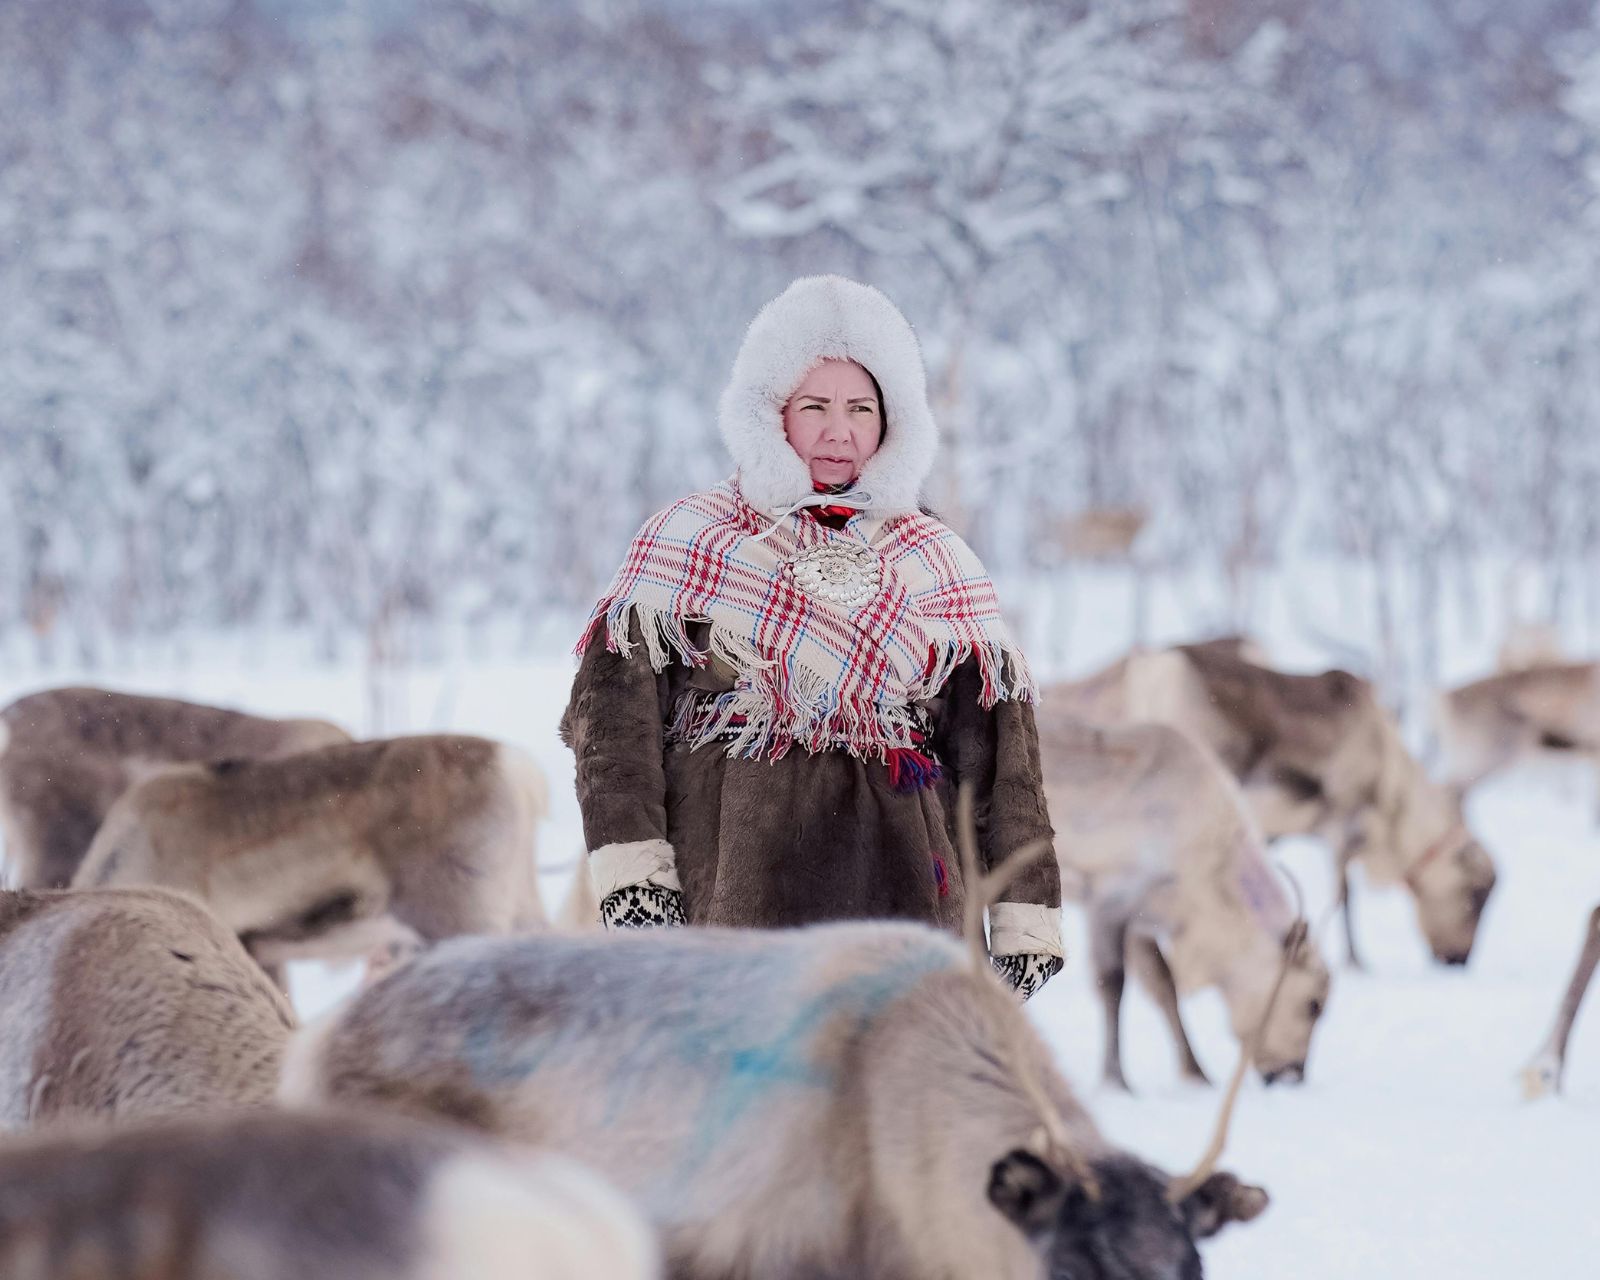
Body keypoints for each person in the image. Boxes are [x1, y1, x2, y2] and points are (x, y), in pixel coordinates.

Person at [561, 275, 1063, 997]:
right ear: (772, 415)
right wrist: (636, 879)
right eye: (815, 407)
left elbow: (1001, 759)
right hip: (728, 890)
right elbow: (613, 727)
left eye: (861, 408)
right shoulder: (690, 540)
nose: (838, 431)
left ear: (892, 422)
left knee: (895, 1062)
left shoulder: (937, 562)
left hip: (909, 897)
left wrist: (1023, 915)